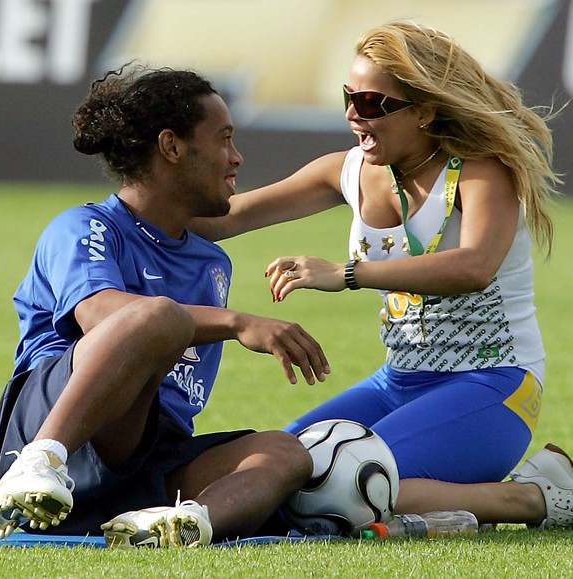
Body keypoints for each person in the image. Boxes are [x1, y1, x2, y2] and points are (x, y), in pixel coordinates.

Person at [190, 21, 573, 529]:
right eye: (349, 97)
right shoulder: (345, 169)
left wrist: (348, 274)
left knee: (336, 487)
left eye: (372, 103)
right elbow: (229, 216)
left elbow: (475, 266)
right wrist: (118, 217)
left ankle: (534, 499)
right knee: (275, 469)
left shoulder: (483, 170)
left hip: (494, 386)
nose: (353, 114)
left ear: (425, 111)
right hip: (397, 382)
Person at [0, 64, 332, 548]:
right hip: (62, 425)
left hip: (147, 449)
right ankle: (38, 466)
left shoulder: (211, 260)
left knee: (286, 453)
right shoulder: (83, 228)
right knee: (160, 316)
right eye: (223, 139)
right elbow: (103, 314)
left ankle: (175, 525)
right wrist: (237, 323)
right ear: (171, 147)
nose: (236, 157)